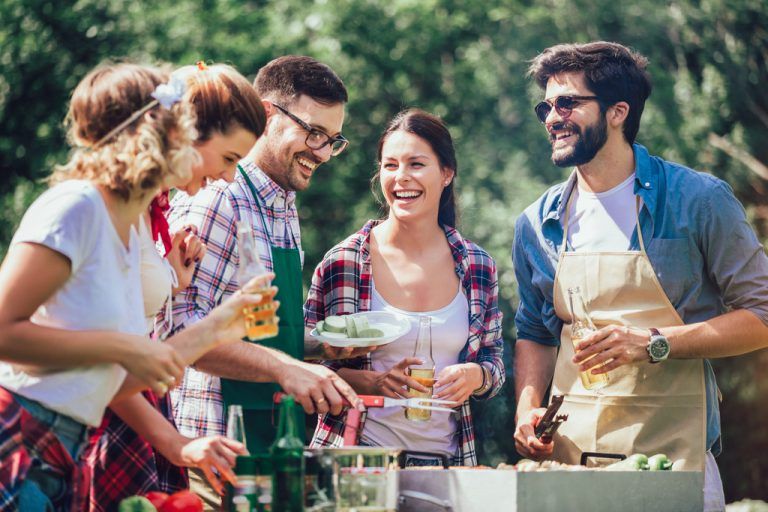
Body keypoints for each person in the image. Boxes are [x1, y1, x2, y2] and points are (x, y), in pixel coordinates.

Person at [0, 62, 269, 511]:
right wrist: (122, 348)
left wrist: (220, 325)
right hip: (20, 441)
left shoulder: (129, 235)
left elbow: (107, 382)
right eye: (187, 129)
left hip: (66, 452)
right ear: (163, 134)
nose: (227, 177)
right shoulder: (76, 206)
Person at [512, 41, 768, 511]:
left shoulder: (698, 200)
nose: (551, 117)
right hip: (571, 466)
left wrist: (654, 343)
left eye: (567, 102)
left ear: (618, 112)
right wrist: (527, 409)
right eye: (545, 106)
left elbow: (763, 316)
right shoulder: (537, 221)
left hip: (675, 460)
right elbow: (534, 330)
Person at [165, 55, 360, 508]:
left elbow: (258, 328)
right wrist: (284, 368)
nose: (323, 152)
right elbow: (178, 336)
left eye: (334, 140)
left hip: (270, 449)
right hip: (212, 457)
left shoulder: (284, 205)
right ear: (268, 114)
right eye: (313, 133)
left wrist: (317, 347)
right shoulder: (217, 198)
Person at [83, 62, 269, 510]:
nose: (229, 177)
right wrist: (219, 326)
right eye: (228, 159)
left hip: (134, 408)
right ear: (184, 133)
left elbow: (121, 346)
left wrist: (171, 278)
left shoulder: (150, 215)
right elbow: (97, 355)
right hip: (89, 420)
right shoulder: (88, 209)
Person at [306, 109, 504, 466]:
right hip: (357, 462)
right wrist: (372, 382)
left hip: (450, 464)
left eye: (416, 164)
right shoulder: (344, 262)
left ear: (446, 173)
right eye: (390, 165)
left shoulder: (477, 266)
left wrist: (477, 376)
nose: (401, 178)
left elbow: (494, 361)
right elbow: (305, 364)